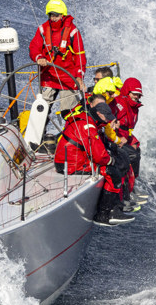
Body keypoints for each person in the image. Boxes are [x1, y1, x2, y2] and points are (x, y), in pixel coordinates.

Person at [54, 102, 134, 226]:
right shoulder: (89, 126)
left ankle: (114, 206)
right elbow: (99, 155)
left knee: (115, 164)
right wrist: (111, 160)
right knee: (112, 172)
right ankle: (104, 214)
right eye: (106, 117)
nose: (108, 120)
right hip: (71, 164)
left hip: (71, 159)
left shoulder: (88, 120)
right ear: (98, 114)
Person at [29, 0, 87, 115]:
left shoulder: (73, 31)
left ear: (63, 15)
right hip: (48, 76)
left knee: (69, 112)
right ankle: (39, 132)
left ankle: (70, 132)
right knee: (41, 110)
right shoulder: (42, 29)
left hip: (68, 78)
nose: (53, 18)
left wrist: (79, 76)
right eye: (51, 15)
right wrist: (39, 57)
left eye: (56, 15)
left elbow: (80, 56)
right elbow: (34, 47)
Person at [110, 77, 147, 205]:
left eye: (138, 94)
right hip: (115, 137)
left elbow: (129, 127)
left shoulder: (133, 106)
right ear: (127, 92)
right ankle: (125, 194)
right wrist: (117, 137)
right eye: (134, 93)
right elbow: (109, 122)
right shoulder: (119, 103)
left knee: (137, 152)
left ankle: (131, 188)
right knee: (131, 156)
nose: (137, 96)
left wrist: (132, 140)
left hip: (125, 135)